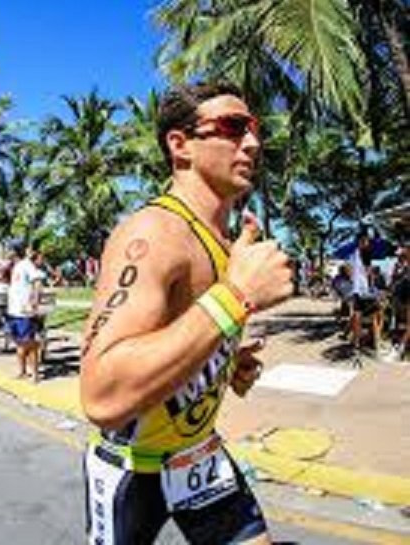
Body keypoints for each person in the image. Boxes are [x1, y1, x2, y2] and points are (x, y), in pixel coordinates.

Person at [80, 82, 293, 544]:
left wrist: (223, 358)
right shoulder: (154, 232)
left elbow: (180, 332)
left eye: (254, 129)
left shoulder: (222, 241)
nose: (252, 143)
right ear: (180, 146)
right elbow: (101, 392)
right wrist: (236, 296)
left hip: (200, 458)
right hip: (133, 472)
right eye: (233, 128)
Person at [7, 245, 44, 382]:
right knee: (19, 343)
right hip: (14, 311)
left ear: (14, 251)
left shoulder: (26, 265)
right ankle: (22, 371)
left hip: (24, 312)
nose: (6, 252)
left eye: (8, 249)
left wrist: (35, 301)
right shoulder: (15, 266)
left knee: (29, 343)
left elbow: (38, 282)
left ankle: (34, 373)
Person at [349, 230, 386, 353]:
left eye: (367, 241)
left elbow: (352, 273)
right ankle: (376, 342)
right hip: (365, 291)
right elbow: (368, 273)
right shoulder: (365, 254)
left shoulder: (353, 255)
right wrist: (372, 279)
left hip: (357, 290)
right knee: (377, 314)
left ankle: (357, 343)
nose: (367, 243)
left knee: (357, 316)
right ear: (361, 242)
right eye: (365, 241)